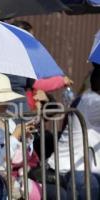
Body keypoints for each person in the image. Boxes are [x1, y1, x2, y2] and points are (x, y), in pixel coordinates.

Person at [47, 67, 100, 199]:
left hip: (82, 166)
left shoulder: (88, 98)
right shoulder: (92, 102)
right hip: (72, 168)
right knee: (91, 185)